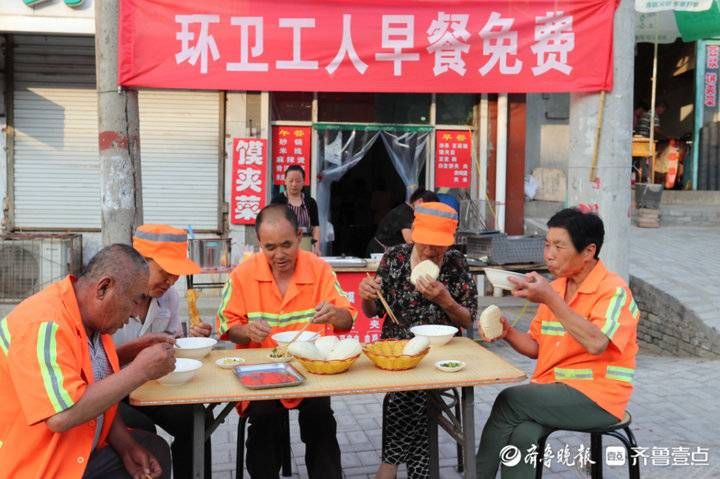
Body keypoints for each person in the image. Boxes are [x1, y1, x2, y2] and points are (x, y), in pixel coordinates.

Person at [475, 208, 639, 478]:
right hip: (555, 391)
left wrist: (550, 299)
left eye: (558, 246)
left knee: (509, 400)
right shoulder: (557, 288)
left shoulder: (614, 291)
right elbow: (536, 347)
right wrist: (507, 332)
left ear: (588, 251)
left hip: (600, 398)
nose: (549, 254)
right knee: (523, 434)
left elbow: (597, 343)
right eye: (547, 244)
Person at [0, 244, 175, 478]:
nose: (135, 313)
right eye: (134, 300)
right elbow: (61, 415)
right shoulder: (43, 324)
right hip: (42, 463)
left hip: (79, 444)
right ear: (104, 288)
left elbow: (96, 391)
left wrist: (127, 447)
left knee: (153, 450)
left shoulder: (93, 320)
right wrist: (140, 371)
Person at [216, 203, 357, 478]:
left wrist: (335, 314)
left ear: (300, 235)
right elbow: (227, 325)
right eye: (270, 248)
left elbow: (348, 320)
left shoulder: (319, 270)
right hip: (261, 375)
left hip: (311, 370)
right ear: (259, 243)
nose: (279, 255)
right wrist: (246, 331)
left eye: (286, 245)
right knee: (265, 426)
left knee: (322, 424)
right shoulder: (242, 275)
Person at [358, 202, 478, 479]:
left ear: (451, 241)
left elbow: (468, 320)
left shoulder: (456, 264)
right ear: (413, 232)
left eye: (438, 245)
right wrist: (366, 297)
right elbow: (373, 312)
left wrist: (445, 300)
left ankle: (389, 464)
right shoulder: (394, 259)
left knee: (413, 392)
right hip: (398, 351)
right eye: (424, 242)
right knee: (415, 392)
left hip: (441, 353)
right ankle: (419, 473)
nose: (430, 251)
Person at [113, 224, 213, 479]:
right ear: (139, 263)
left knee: (197, 420)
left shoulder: (168, 298)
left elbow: (169, 343)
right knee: (143, 430)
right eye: (165, 271)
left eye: (176, 274)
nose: (170, 281)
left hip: (148, 384)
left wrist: (190, 340)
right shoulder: (111, 298)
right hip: (109, 390)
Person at [365, 187, 439, 256]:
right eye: (429, 208)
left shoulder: (413, 212)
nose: (428, 212)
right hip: (378, 251)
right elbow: (410, 240)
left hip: (391, 250)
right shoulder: (404, 213)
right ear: (420, 201)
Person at [271, 165, 321, 255]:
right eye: (291, 181)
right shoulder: (277, 201)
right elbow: (272, 225)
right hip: (283, 246)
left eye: (298, 181)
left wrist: (316, 247)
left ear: (303, 182)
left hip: (306, 244)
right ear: (285, 181)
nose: (294, 184)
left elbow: (315, 226)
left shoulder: (310, 202)